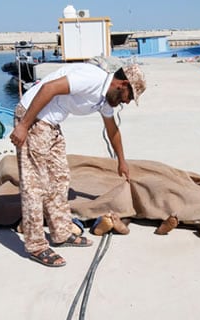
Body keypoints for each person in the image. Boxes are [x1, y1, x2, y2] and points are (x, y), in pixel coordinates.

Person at [10, 63, 146, 267]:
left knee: (60, 179)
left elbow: (112, 129)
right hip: (32, 118)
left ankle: (62, 233)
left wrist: (122, 161)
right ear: (122, 84)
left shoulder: (106, 99)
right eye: (130, 96)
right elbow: (49, 88)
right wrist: (23, 125)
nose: (127, 102)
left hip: (51, 124)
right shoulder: (92, 79)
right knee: (35, 185)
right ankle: (36, 245)